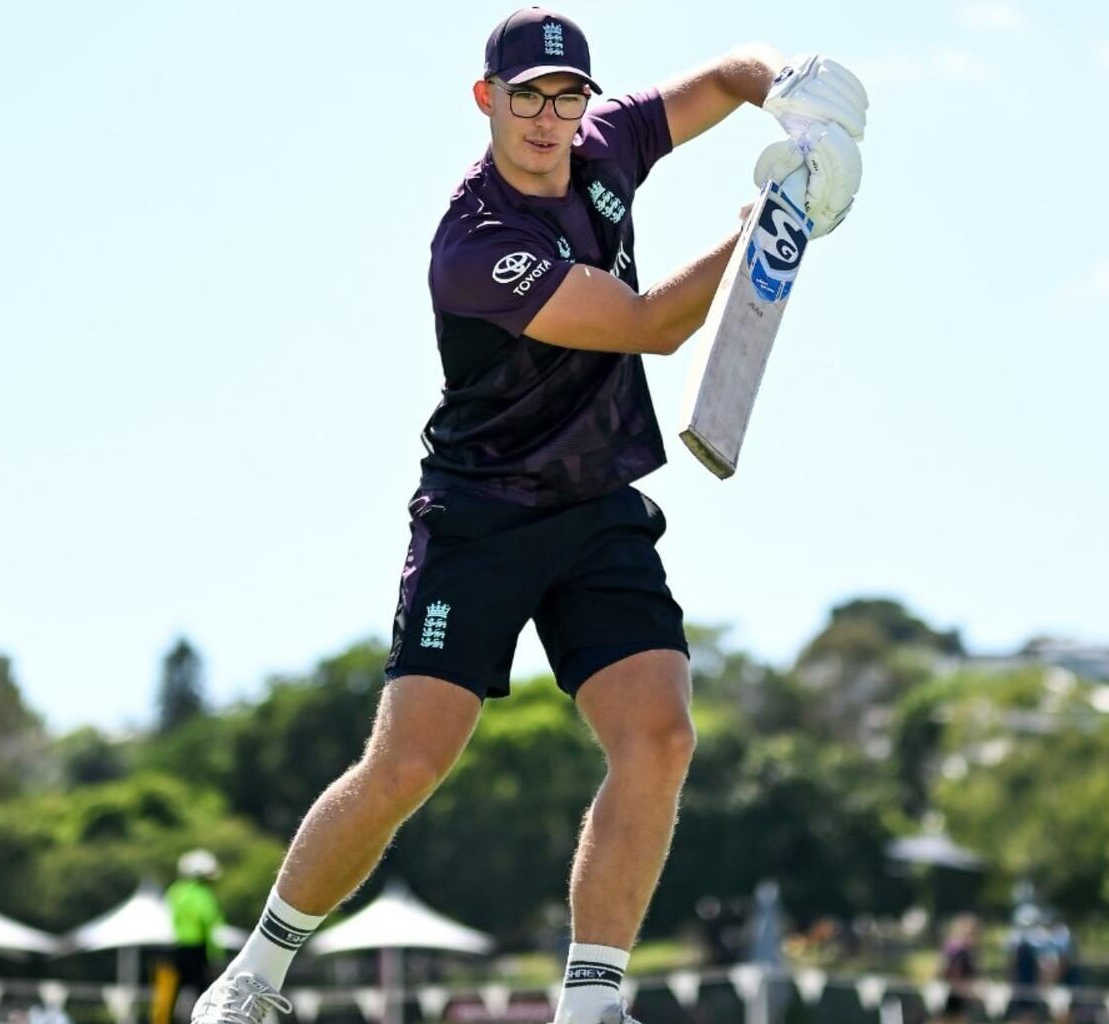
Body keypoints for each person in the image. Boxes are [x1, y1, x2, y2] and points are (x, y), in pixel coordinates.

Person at [191, 10, 867, 1024]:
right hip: (481, 515)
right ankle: (256, 971)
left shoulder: (607, 144)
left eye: (566, 96)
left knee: (660, 735)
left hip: (596, 507)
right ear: (487, 101)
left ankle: (591, 1005)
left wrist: (792, 91)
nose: (548, 118)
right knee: (410, 761)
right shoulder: (477, 244)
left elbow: (728, 74)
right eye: (526, 97)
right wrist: (765, 220)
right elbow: (647, 328)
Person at [154, 850, 227, 1024]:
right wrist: (215, 956)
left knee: (170, 998)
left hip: (174, 950)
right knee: (206, 996)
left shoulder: (174, 891)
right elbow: (209, 926)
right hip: (198, 951)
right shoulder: (204, 894)